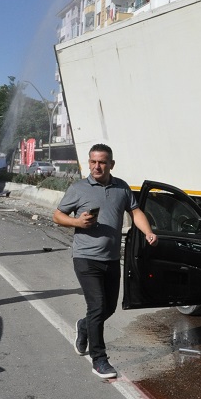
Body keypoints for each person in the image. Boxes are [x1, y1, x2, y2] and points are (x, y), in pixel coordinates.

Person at [53, 144, 157, 380]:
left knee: (108, 308)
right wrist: (77, 223)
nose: (96, 166)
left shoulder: (121, 187)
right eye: (93, 162)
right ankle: (99, 359)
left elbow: (135, 212)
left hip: (111, 258)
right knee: (98, 306)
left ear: (111, 164)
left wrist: (148, 232)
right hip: (85, 257)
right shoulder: (78, 188)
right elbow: (58, 215)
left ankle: (84, 326)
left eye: (101, 162)